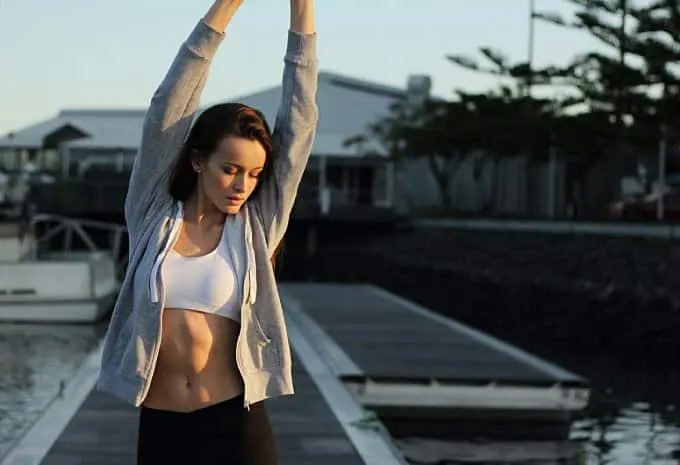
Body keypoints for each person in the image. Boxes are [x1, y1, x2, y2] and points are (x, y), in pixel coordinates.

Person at [95, 0, 318, 463]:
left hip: (236, 424)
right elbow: (167, 108)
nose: (242, 185)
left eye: (254, 174)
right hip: (162, 428)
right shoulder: (153, 215)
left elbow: (299, 122)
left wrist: (302, 9)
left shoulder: (256, 227)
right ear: (198, 161)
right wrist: (226, 7)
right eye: (230, 169)